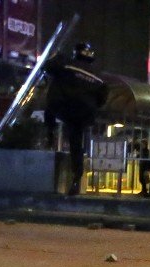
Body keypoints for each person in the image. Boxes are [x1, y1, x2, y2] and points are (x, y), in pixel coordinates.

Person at [43, 42, 108, 195]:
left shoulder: (67, 64)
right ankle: (76, 179)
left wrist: (56, 56)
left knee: (49, 106)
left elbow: (48, 68)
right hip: (82, 113)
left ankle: (49, 133)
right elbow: (102, 99)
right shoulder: (99, 78)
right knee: (76, 143)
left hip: (62, 104)